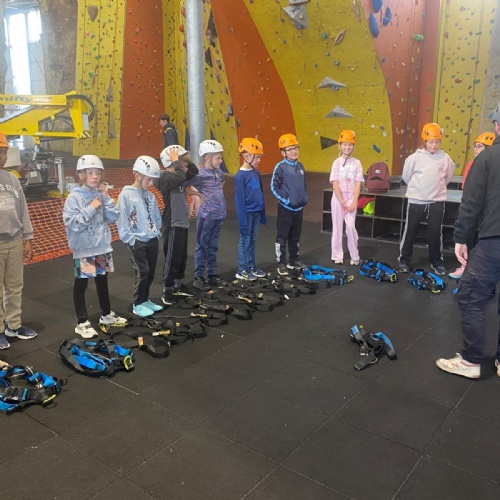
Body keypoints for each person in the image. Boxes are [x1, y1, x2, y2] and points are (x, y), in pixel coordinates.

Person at [436, 103, 500, 379]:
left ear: (497, 125)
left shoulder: (487, 159)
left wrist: (461, 238)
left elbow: (471, 203)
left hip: (494, 240)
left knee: (471, 296)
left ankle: (471, 361)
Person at [63, 155, 126, 338]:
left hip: (102, 247)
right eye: (90, 173)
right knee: (81, 284)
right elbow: (73, 223)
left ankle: (106, 315)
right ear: (81, 175)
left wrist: (106, 197)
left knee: (102, 281)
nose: (95, 176)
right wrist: (91, 207)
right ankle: (82, 322)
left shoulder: (100, 194)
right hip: (84, 250)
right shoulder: (74, 198)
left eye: (97, 172)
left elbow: (113, 217)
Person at [397, 123, 454, 275]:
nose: (434, 145)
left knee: (435, 233)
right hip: (416, 200)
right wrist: (419, 190)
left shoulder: (445, 158)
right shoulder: (414, 158)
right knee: (410, 231)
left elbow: (448, 177)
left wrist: (436, 191)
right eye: (431, 142)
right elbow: (406, 177)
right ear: (425, 141)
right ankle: (404, 260)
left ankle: (436, 262)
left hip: (437, 201)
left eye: (437, 142)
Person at [0, 131, 37, 352]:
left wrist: (28, 238)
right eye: (0, 152)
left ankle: (13, 325)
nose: (2, 156)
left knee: (14, 286)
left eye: (4, 152)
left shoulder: (12, 179)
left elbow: (23, 210)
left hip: (14, 240)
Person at [117, 156, 163, 318]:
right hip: (136, 241)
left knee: (150, 272)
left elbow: (156, 216)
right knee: (142, 272)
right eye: (149, 180)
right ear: (137, 176)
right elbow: (122, 221)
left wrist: (156, 232)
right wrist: (131, 240)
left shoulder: (150, 196)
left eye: (153, 180)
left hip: (152, 239)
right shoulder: (125, 195)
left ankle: (145, 300)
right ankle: (137, 304)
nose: (151, 184)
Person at [155, 145, 199, 305]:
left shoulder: (178, 175)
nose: (186, 169)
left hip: (182, 221)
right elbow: (180, 177)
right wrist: (176, 161)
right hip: (172, 223)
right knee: (172, 257)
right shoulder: (165, 178)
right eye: (182, 166)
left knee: (181, 256)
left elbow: (194, 171)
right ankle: (167, 289)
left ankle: (178, 284)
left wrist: (182, 159)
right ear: (171, 164)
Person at [448, 131, 495, 279]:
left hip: (486, 212)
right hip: (473, 207)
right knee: (468, 237)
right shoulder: (472, 164)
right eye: (475, 146)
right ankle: (465, 266)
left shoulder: (491, 164)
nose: (475, 149)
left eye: (479, 146)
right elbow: (466, 186)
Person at [188, 139, 227, 290]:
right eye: (218, 158)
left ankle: (211, 274)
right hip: (206, 216)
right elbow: (183, 185)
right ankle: (198, 276)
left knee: (213, 246)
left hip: (219, 215)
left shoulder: (219, 172)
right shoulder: (200, 175)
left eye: (221, 158)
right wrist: (198, 194)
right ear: (207, 158)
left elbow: (221, 182)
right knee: (202, 246)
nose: (221, 161)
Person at [271, 133, 308, 276]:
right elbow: (274, 187)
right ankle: (281, 263)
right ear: (283, 152)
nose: (294, 151)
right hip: (285, 209)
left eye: (296, 148)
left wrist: (305, 197)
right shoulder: (280, 167)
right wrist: (286, 200)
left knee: (295, 236)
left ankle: (294, 260)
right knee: (282, 236)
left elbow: (303, 185)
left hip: (299, 208)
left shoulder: (301, 166)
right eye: (290, 149)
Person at [329, 130, 364, 265]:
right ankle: (337, 255)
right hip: (338, 199)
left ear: (353, 146)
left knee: (350, 226)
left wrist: (353, 202)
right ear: (340, 145)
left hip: (351, 198)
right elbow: (335, 184)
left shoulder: (357, 163)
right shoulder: (336, 163)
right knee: (337, 228)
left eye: (350, 145)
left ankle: (355, 255)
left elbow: (358, 184)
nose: (347, 147)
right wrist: (343, 202)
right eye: (344, 144)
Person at [234, 138, 267, 281]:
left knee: (252, 241)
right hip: (247, 214)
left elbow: (261, 193)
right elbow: (239, 201)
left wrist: (263, 213)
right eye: (256, 157)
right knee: (245, 241)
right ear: (246, 156)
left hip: (256, 212)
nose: (259, 160)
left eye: (259, 157)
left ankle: (251, 266)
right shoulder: (240, 177)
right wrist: (242, 223)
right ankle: (242, 269)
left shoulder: (256, 173)